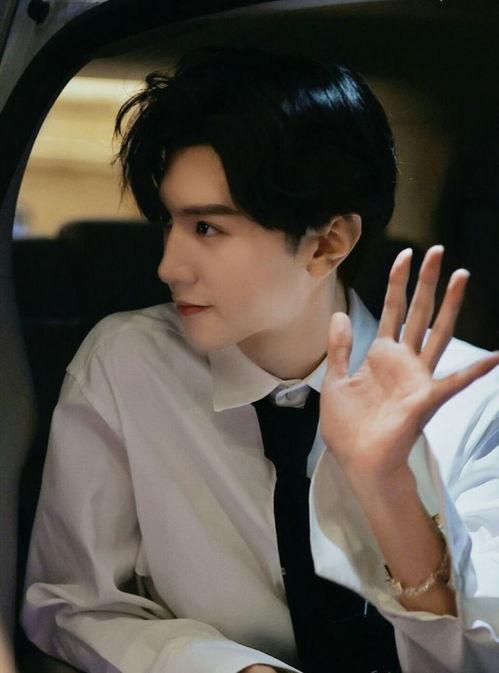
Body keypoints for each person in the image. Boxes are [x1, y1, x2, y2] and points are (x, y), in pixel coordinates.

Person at [21, 46, 499, 673]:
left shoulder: (472, 399)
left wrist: (388, 487)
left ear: (327, 243)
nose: (167, 266)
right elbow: (72, 605)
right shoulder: (127, 363)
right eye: (168, 222)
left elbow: (481, 654)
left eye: (208, 228)